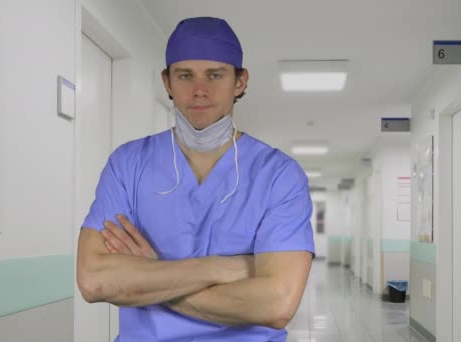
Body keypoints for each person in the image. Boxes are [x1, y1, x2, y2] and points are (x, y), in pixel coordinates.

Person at [77, 16, 315, 342]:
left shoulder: (279, 176)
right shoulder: (128, 164)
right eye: (185, 75)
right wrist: (222, 268)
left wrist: (152, 273)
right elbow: (95, 281)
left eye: (215, 75)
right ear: (167, 82)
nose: (199, 90)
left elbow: (277, 304)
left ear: (240, 82)